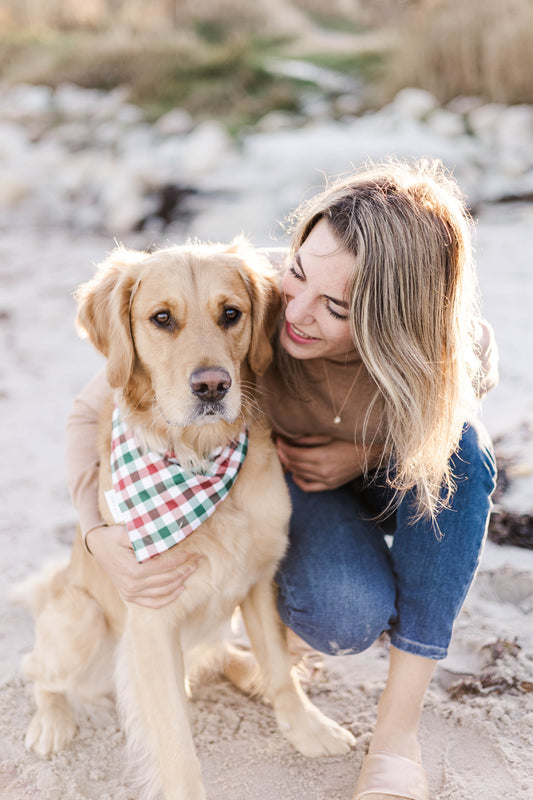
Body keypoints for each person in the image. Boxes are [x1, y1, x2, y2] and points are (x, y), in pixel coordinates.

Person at [66, 158, 498, 800]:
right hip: (300, 487)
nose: (295, 311)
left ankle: (396, 736)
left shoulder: (445, 345)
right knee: (343, 614)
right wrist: (95, 531)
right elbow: (92, 409)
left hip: (392, 472)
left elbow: (461, 396)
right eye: (297, 272)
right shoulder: (251, 292)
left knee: (463, 451)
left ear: (392, 320)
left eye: (335, 306)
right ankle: (286, 634)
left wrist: (361, 453)